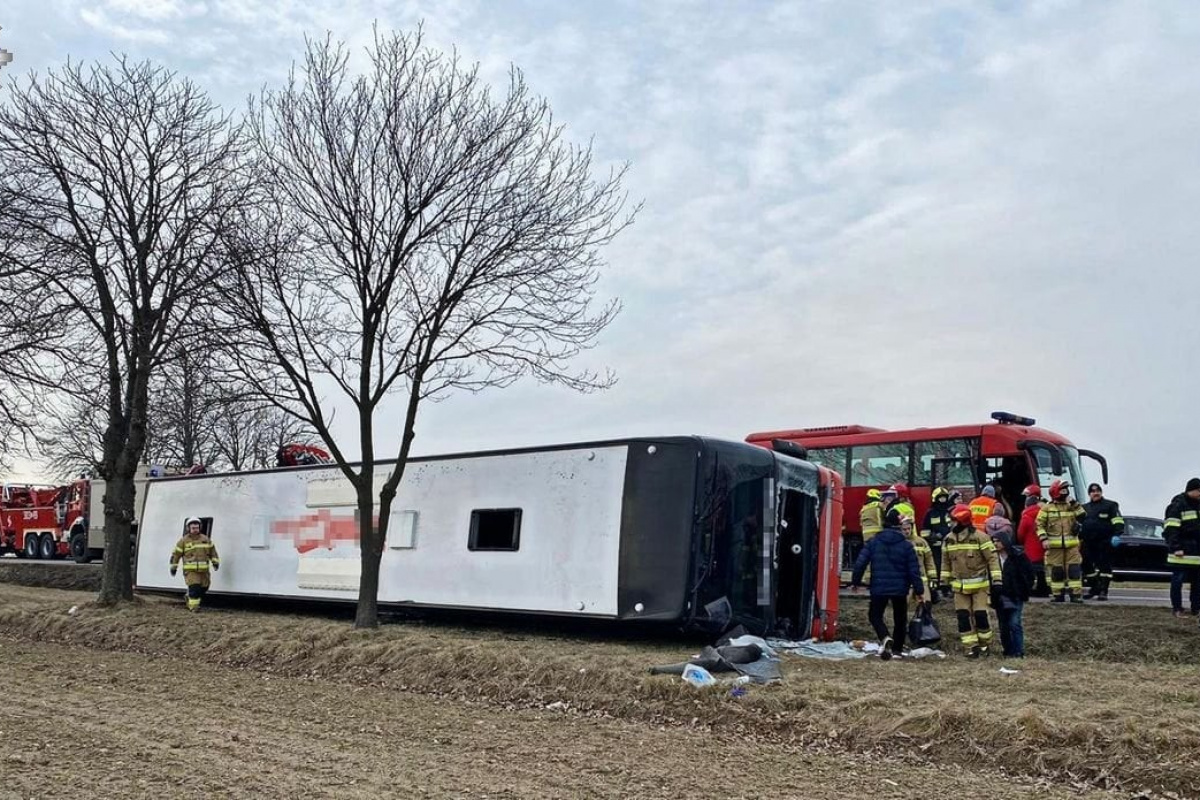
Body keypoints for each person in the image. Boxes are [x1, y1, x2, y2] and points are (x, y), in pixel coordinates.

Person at [851, 507, 925, 660]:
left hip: (879, 587)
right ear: (898, 526)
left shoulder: (874, 542)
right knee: (900, 618)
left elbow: (860, 563)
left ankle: (884, 637)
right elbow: (914, 570)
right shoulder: (906, 545)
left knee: (874, 615)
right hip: (900, 588)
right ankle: (897, 650)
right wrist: (919, 590)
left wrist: (855, 582)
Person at [941, 503, 1001, 658]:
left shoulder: (981, 537)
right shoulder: (949, 540)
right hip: (959, 587)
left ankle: (984, 645)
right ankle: (970, 647)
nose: (950, 523)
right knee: (963, 617)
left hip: (979, 586)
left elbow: (993, 559)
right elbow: (945, 562)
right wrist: (943, 582)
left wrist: (997, 580)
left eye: (953, 520)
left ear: (961, 521)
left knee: (981, 616)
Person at [1037, 479, 1086, 603]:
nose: (1066, 492)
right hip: (1054, 546)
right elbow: (1039, 525)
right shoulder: (1047, 508)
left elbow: (1083, 516)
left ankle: (1076, 595)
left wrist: (1074, 503)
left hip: (1072, 546)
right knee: (1056, 571)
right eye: (1063, 489)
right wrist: (1043, 539)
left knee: (1074, 570)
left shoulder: (1072, 506)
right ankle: (1058, 595)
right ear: (1056, 492)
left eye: (1066, 489)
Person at [990, 529, 1034, 657]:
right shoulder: (991, 557)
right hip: (999, 596)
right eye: (994, 541)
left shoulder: (1018, 556)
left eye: (998, 541)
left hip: (1015, 595)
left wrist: (1023, 590)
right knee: (1003, 626)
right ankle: (1008, 651)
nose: (995, 544)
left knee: (1014, 623)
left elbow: (1028, 574)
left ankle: (1018, 651)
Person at [1081, 483, 1125, 601]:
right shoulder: (1084, 507)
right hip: (1088, 542)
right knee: (1086, 565)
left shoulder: (1110, 505)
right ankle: (1094, 587)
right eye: (1093, 491)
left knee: (1104, 567)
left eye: (1098, 491)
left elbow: (1118, 521)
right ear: (1089, 494)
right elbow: (1078, 523)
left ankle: (1103, 591)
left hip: (1104, 542)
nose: (1095, 493)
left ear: (1101, 492)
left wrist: (1117, 534)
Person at [1163, 478, 1200, 619]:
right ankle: (1177, 608)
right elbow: (1171, 529)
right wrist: (1176, 547)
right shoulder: (1178, 505)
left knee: (1197, 583)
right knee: (1178, 581)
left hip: (1197, 552)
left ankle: (1196, 608)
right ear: (1191, 490)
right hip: (1181, 552)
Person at [169, 517, 220, 612]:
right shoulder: (183, 541)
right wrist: (173, 567)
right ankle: (193, 607)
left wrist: (215, 562)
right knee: (194, 588)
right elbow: (176, 555)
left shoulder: (206, 539)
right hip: (191, 571)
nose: (195, 530)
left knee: (205, 587)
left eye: (197, 528)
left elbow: (213, 552)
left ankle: (189, 596)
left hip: (204, 571)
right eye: (193, 528)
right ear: (188, 528)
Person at [921, 486, 955, 598]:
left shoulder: (950, 512)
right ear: (935, 499)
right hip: (935, 547)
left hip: (950, 545)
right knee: (937, 567)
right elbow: (924, 531)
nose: (943, 500)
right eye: (940, 498)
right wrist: (933, 536)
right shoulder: (930, 513)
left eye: (944, 498)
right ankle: (937, 589)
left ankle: (948, 588)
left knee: (950, 567)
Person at [1017, 484, 1050, 597]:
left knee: (1032, 570)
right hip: (1046, 546)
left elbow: (1020, 534)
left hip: (1031, 548)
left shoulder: (1026, 515)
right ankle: (1044, 588)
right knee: (1042, 570)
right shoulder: (1046, 511)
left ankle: (1035, 589)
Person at [901, 514, 938, 605]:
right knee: (903, 606)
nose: (907, 531)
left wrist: (933, 578)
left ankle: (924, 618)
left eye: (909, 529)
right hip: (905, 581)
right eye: (904, 529)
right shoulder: (897, 543)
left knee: (926, 603)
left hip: (922, 580)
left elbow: (929, 560)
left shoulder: (921, 542)